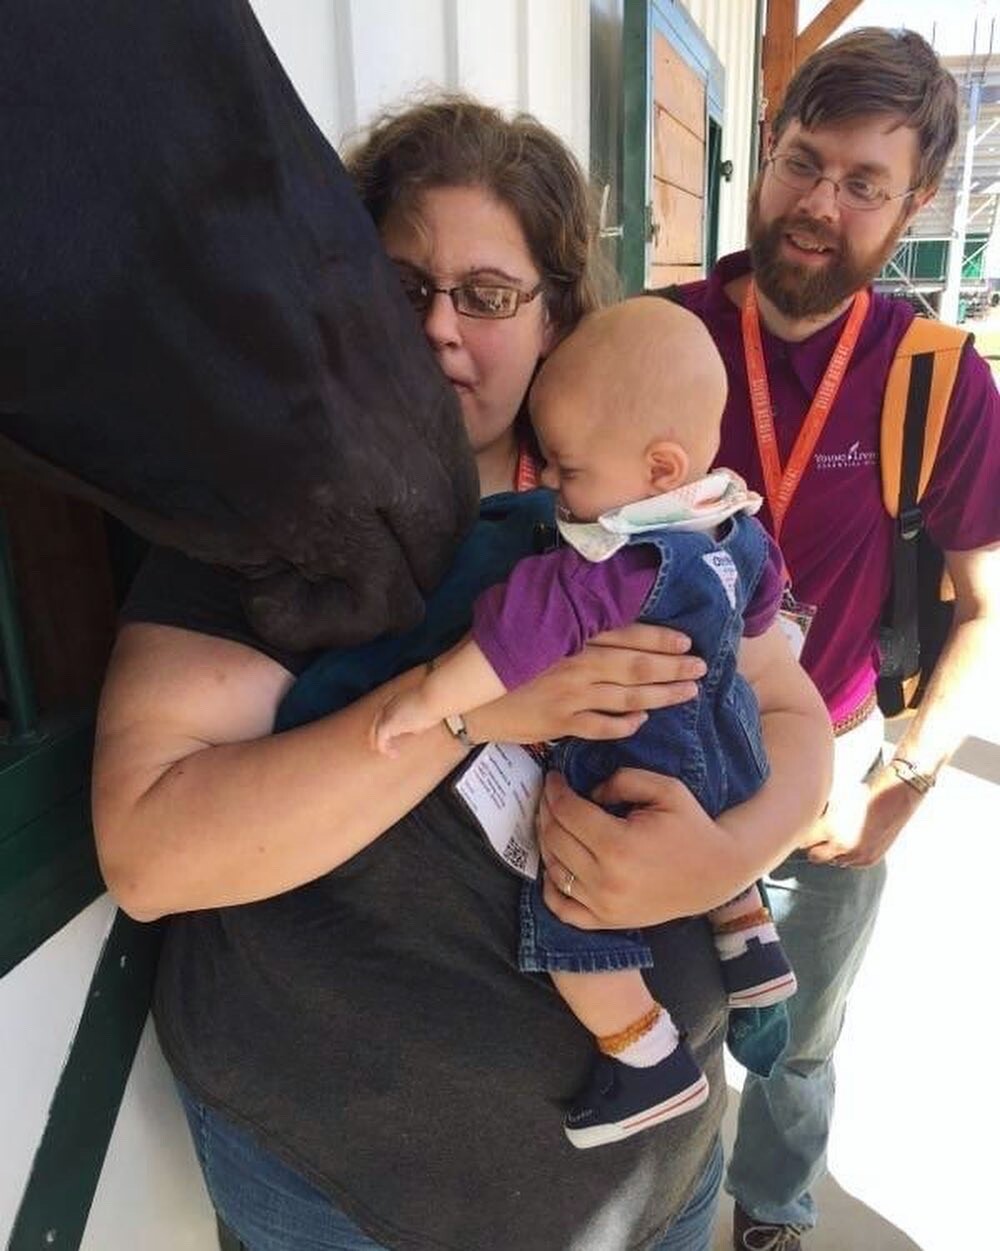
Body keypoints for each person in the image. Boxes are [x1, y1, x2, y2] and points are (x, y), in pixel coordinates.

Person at [92, 96, 832, 1251]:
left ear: (552, 322)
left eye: (486, 297)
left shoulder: (633, 523)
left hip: (665, 1178)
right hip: (349, 1194)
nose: (438, 328)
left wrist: (731, 854)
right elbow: (149, 855)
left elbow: (793, 719)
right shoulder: (260, 521)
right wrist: (471, 708)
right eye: (401, 287)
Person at [665, 28, 1000, 1250]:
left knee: (795, 1043)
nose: (819, 205)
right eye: (804, 162)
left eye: (864, 183)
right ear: (767, 151)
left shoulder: (939, 379)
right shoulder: (661, 335)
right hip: (649, 756)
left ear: (912, 205)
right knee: (641, 1016)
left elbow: (984, 607)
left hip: (833, 767)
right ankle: (650, 1205)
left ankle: (770, 1212)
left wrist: (898, 786)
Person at [372, 298, 799, 1150]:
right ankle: (752, 949)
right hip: (727, 752)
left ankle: (645, 1059)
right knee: (715, 830)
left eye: (568, 471)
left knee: (573, 910)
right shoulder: (732, 523)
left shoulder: (618, 558)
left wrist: (428, 698)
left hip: (635, 771)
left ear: (657, 467)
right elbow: (762, 614)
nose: (557, 490)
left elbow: (511, 637)